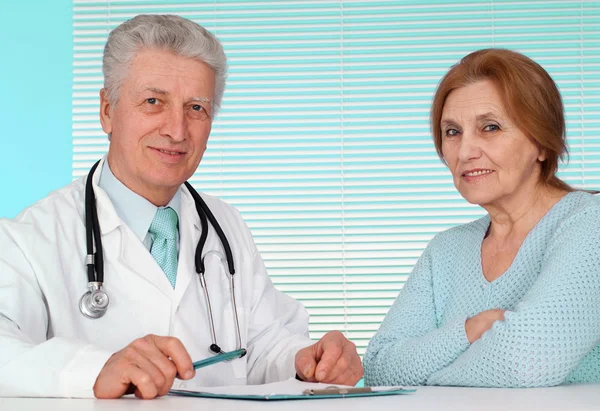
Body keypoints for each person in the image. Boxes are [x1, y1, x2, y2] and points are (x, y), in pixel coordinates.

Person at [0, 14, 362, 399]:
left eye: (196, 108)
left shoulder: (226, 224)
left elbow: (261, 344)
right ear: (107, 110)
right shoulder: (30, 238)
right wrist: (94, 370)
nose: (176, 129)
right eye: (153, 101)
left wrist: (306, 359)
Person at [364, 48, 600, 388]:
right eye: (452, 132)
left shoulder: (589, 224)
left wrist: (429, 380)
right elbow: (379, 368)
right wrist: (469, 330)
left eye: (490, 127)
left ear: (542, 144)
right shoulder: (445, 250)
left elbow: (523, 363)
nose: (465, 151)